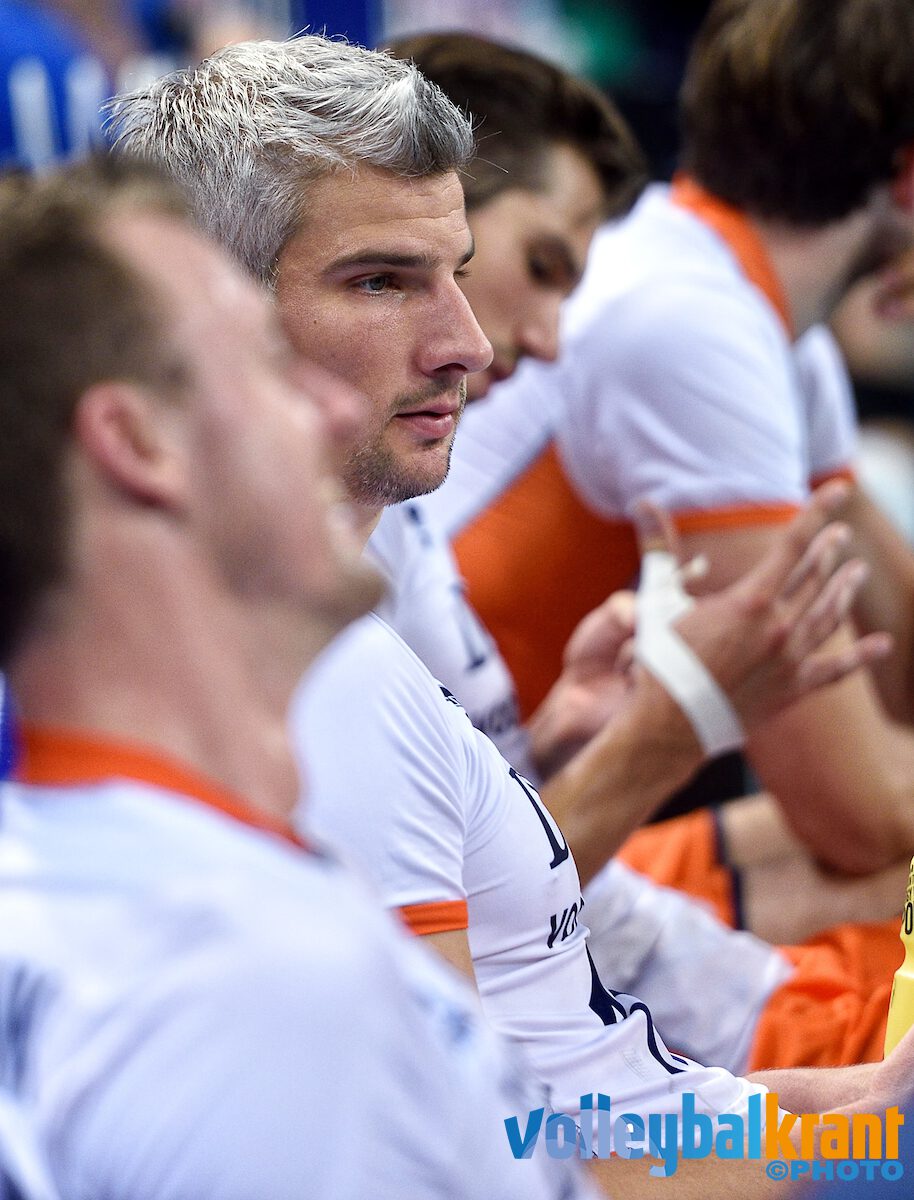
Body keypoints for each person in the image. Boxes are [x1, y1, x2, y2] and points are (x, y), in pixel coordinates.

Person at [108, 36, 914, 1194]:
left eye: (458, 273)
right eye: (381, 282)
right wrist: (849, 1150)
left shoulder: (354, 592)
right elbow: (489, 1164)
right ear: (213, 314)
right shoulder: (312, 673)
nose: (477, 345)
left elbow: (577, 1084)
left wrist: (857, 1115)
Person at [0, 156, 595, 1200]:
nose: (330, 412)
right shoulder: (262, 987)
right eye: (265, 365)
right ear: (138, 444)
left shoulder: (88, 875)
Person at [363, 31, 906, 1075]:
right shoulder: (683, 314)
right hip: (579, 985)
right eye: (389, 278)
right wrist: (674, 722)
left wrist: (561, 745)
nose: (518, 340)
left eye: (462, 272)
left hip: (602, 932)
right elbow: (446, 983)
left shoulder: (392, 510)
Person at [436, 0, 914, 883]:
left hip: (519, 814)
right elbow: (860, 816)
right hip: (463, 852)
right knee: (887, 872)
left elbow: (896, 662)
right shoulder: (694, 323)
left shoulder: (759, 313)